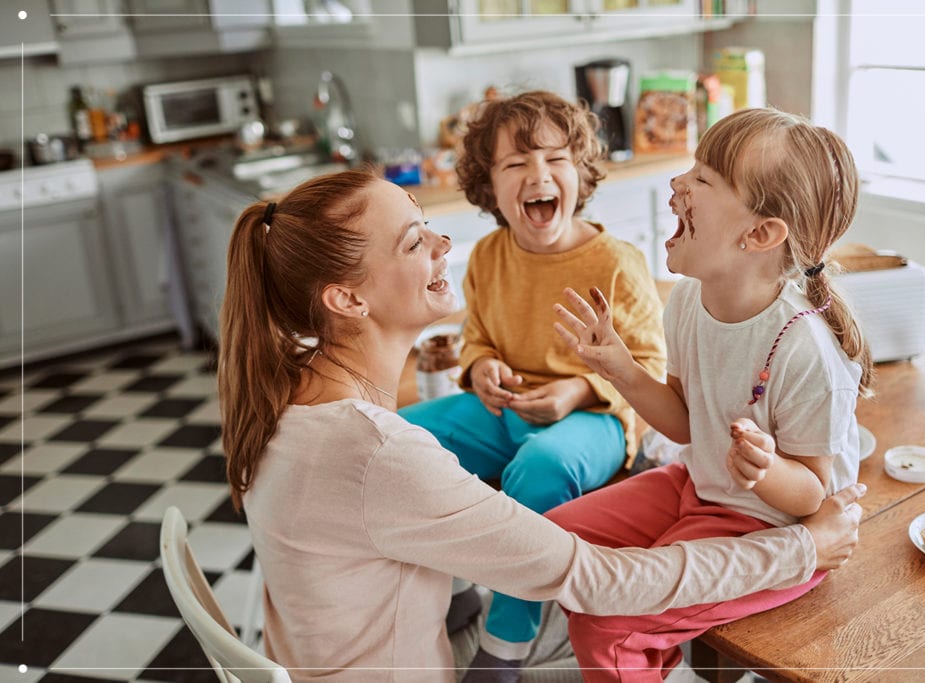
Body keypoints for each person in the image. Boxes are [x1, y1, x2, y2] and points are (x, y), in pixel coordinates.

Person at [218, 168, 866, 682]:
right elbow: (603, 581)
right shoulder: (381, 453)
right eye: (415, 241)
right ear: (348, 299)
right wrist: (804, 547)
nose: (444, 243)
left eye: (427, 225)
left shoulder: (286, 387)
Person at [552, 107, 875, 681]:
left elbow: (807, 496)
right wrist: (622, 370)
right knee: (552, 542)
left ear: (759, 234)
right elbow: (682, 424)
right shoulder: (686, 300)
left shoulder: (804, 350)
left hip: (770, 525)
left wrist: (765, 467)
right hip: (698, 483)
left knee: (608, 621)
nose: (678, 184)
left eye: (703, 179)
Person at [398, 90, 667, 676]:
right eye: (515, 164)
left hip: (595, 418)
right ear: (488, 186)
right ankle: (454, 588)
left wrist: (576, 390)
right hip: (502, 410)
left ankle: (506, 641)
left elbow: (648, 367)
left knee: (540, 469)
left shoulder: (616, 262)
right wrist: (480, 367)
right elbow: (479, 336)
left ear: (581, 173)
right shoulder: (490, 254)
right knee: (398, 441)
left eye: (556, 159)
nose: (538, 175)